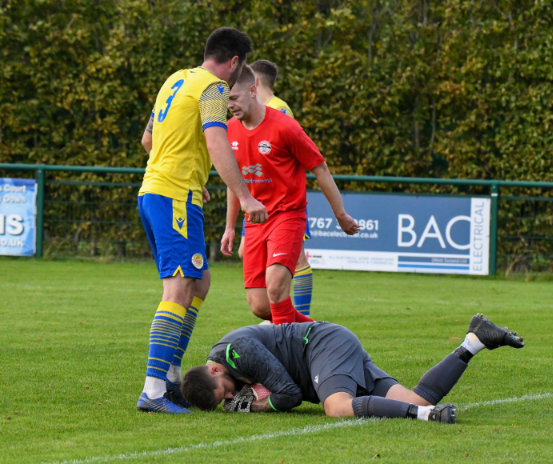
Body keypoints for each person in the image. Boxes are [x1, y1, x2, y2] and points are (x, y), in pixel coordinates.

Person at [136, 27, 269, 415]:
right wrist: (244, 196)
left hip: (158, 192)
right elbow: (216, 140)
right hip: (174, 197)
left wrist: (191, 174)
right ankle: (153, 390)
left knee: (200, 281)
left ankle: (170, 380)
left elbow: (148, 140)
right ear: (235, 63)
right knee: (178, 288)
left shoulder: (176, 79)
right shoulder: (213, 88)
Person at [181, 314, 525, 422]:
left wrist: (254, 405)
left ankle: (426, 417)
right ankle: (475, 340)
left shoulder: (237, 353)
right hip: (327, 350)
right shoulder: (222, 363)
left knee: (337, 407)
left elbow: (289, 394)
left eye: (226, 393)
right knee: (416, 398)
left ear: (214, 371)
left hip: (321, 346)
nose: (232, 397)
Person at [220, 65, 359, 324]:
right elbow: (234, 182)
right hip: (255, 222)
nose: (229, 105)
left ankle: (290, 349)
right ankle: (315, 332)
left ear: (253, 91)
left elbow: (320, 168)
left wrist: (340, 215)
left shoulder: (285, 126)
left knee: (275, 288)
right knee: (260, 306)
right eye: (226, 99)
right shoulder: (228, 131)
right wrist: (229, 227)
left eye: (234, 98)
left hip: (287, 215)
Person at [236, 59, 315, 318]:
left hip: (284, 204)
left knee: (297, 260)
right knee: (249, 257)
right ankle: (285, 318)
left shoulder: (277, 109)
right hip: (260, 203)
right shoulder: (248, 115)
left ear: (254, 83)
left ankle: (297, 318)